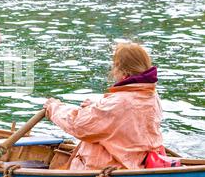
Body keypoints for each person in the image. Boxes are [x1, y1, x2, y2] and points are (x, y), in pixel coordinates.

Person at [44, 42, 165, 170]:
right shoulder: (151, 95)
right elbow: (122, 118)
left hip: (110, 169)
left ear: (123, 71)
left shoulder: (119, 103)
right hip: (139, 163)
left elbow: (77, 124)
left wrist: (53, 108)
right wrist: (93, 107)